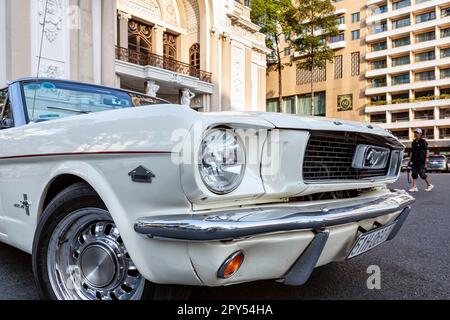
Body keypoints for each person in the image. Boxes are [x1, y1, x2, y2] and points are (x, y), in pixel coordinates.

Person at [409, 128, 434, 192]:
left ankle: (429, 185)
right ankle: (414, 187)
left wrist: (427, 158)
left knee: (422, 174)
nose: (415, 134)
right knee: (414, 173)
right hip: (414, 160)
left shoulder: (423, 141)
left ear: (420, 134)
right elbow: (412, 152)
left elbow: (427, 150)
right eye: (415, 133)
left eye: (417, 133)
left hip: (421, 160)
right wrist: (410, 160)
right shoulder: (413, 142)